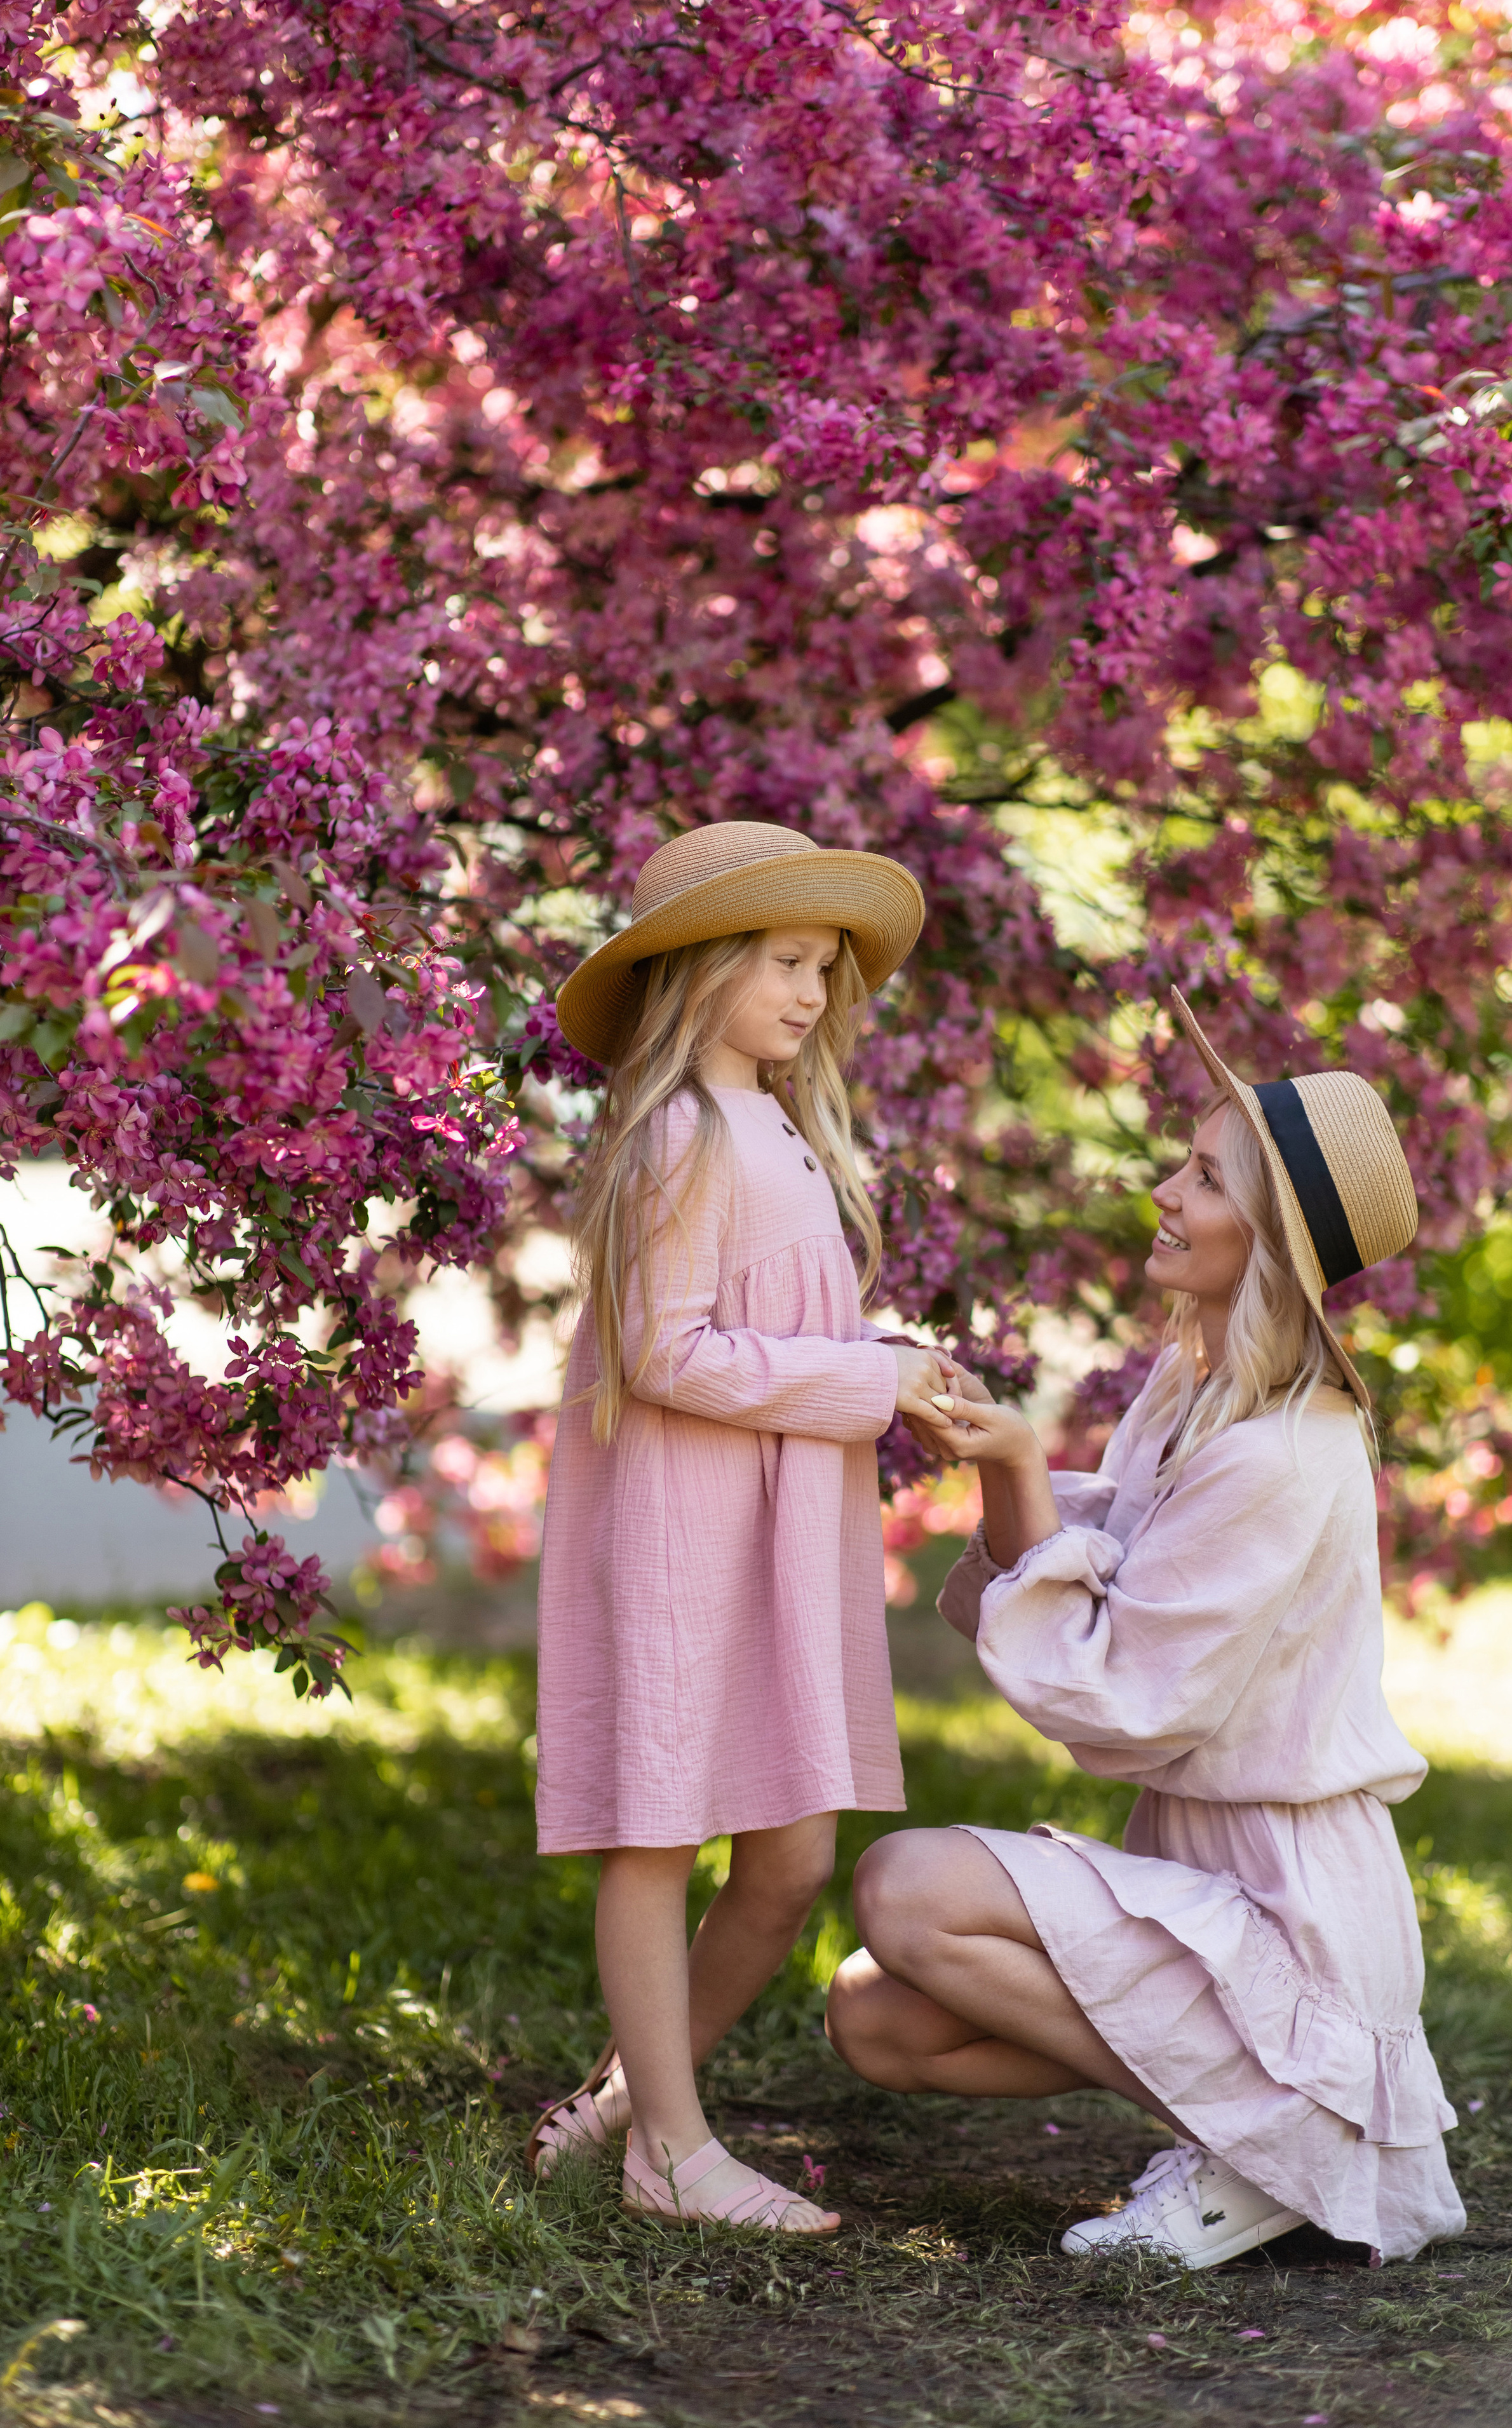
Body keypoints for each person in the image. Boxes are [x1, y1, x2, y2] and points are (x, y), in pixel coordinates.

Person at [825, 990, 1468, 2268]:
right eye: (1180, 1162)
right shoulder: (1193, 1392)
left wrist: (1013, 1471)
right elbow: (1103, 1574)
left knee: (902, 1886)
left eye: (1205, 1179)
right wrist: (1005, 1461)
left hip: (1292, 1900)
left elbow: (1122, 1702)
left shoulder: (1286, 1451)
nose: (1164, 1192)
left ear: (1270, 1243)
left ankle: (1271, 2145)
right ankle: (1262, 2136)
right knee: (873, 2020)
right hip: (1210, 1870)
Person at [527, 819, 948, 2234]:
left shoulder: (771, 1122)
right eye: (780, 963)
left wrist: (890, 1359)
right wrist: (865, 1384)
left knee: (787, 1861)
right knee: (656, 1831)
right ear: (700, 971)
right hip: (679, 1522)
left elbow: (773, 1319)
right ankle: (671, 2154)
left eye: (823, 970)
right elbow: (666, 1355)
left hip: (777, 1524)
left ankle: (621, 2108)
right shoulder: (679, 1136)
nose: (810, 994)